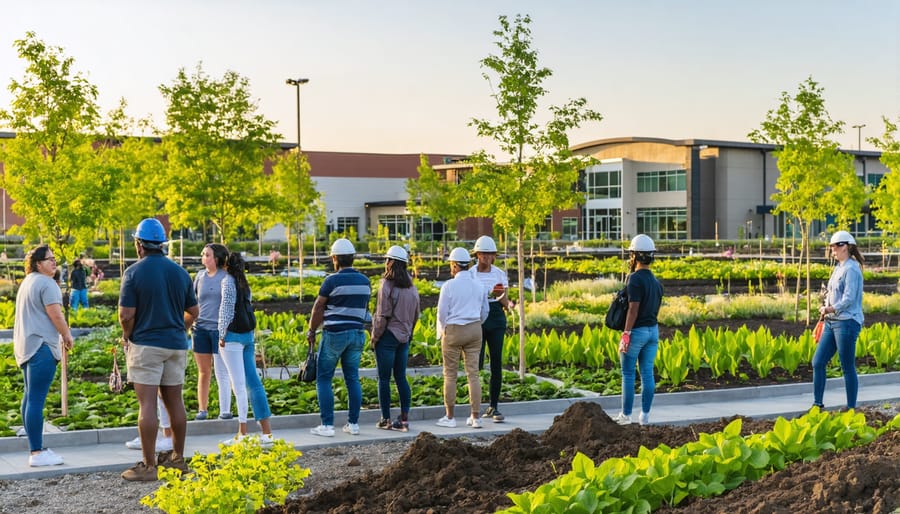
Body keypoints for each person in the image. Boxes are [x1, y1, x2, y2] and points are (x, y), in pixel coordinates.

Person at [119, 218, 198, 481]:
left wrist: (127, 336)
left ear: (139, 244)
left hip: (146, 345)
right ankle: (177, 459)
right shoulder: (180, 272)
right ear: (162, 244)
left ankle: (149, 465)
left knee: (147, 405)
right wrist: (180, 328)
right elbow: (194, 312)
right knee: (175, 401)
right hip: (176, 345)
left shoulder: (133, 273)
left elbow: (126, 314)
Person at [14, 245, 75, 467]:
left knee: (29, 396)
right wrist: (67, 335)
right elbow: (56, 315)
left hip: (25, 345)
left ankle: (34, 446)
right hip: (41, 345)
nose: (54, 263)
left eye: (54, 259)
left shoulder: (27, 282)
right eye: (50, 259)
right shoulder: (47, 284)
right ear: (38, 263)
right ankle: (37, 452)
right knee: (36, 399)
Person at [307, 238, 371, 437]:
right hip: (357, 334)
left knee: (324, 377)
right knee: (352, 378)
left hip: (335, 334)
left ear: (335, 258)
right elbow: (365, 309)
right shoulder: (365, 281)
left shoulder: (331, 281)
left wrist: (311, 330)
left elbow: (318, 307)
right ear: (353, 258)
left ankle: (327, 425)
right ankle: (353, 424)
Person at [217, 251, 276, 447]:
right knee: (253, 382)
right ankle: (266, 434)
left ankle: (242, 433)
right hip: (248, 336)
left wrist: (221, 335)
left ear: (226, 264)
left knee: (238, 385)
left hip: (232, 337)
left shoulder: (228, 281)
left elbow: (226, 309)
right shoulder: (244, 282)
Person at [435, 247, 489, 429]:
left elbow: (441, 313)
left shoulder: (448, 286)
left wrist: (444, 329)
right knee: (473, 374)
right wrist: (476, 323)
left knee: (450, 375)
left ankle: (450, 417)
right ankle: (475, 417)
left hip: (454, 330)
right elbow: (485, 311)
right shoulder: (479, 286)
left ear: (455, 266)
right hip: (475, 330)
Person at [613, 234, 664, 426]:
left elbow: (633, 308)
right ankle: (645, 416)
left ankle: (626, 416)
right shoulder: (656, 282)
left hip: (637, 332)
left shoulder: (634, 279)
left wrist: (626, 333)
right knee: (647, 374)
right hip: (653, 331)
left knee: (628, 373)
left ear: (634, 255)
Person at [812, 230, 865, 410]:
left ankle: (851, 408)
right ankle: (817, 404)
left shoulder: (852, 269)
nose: (832, 249)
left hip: (847, 322)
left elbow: (849, 298)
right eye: (831, 246)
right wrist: (825, 310)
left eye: (835, 246)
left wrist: (830, 308)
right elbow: (832, 293)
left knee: (847, 366)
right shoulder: (838, 268)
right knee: (818, 362)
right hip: (831, 321)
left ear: (846, 247)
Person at [372, 246, 420, 432]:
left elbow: (382, 314)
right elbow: (416, 314)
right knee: (401, 377)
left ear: (390, 262)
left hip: (388, 336)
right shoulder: (411, 286)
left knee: (384, 379)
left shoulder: (387, 284)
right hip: (404, 337)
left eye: (387, 260)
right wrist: (409, 333)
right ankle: (404, 418)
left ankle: (386, 419)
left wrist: (375, 337)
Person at [470, 235, 513, 423]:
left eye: (490, 254)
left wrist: (503, 297)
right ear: (477, 255)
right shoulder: (470, 273)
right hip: (477, 317)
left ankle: (494, 406)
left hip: (495, 317)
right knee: (476, 364)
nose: (487, 258)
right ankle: (475, 407)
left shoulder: (498, 273)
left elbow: (505, 301)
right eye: (483, 254)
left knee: (496, 362)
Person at [191, 243, 233, 420]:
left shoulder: (226, 277)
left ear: (216, 259)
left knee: (221, 372)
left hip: (218, 330)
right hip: (200, 329)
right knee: (203, 371)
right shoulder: (200, 276)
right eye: (203, 254)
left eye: (207, 255)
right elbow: (193, 301)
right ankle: (202, 409)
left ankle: (225, 410)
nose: (203, 258)